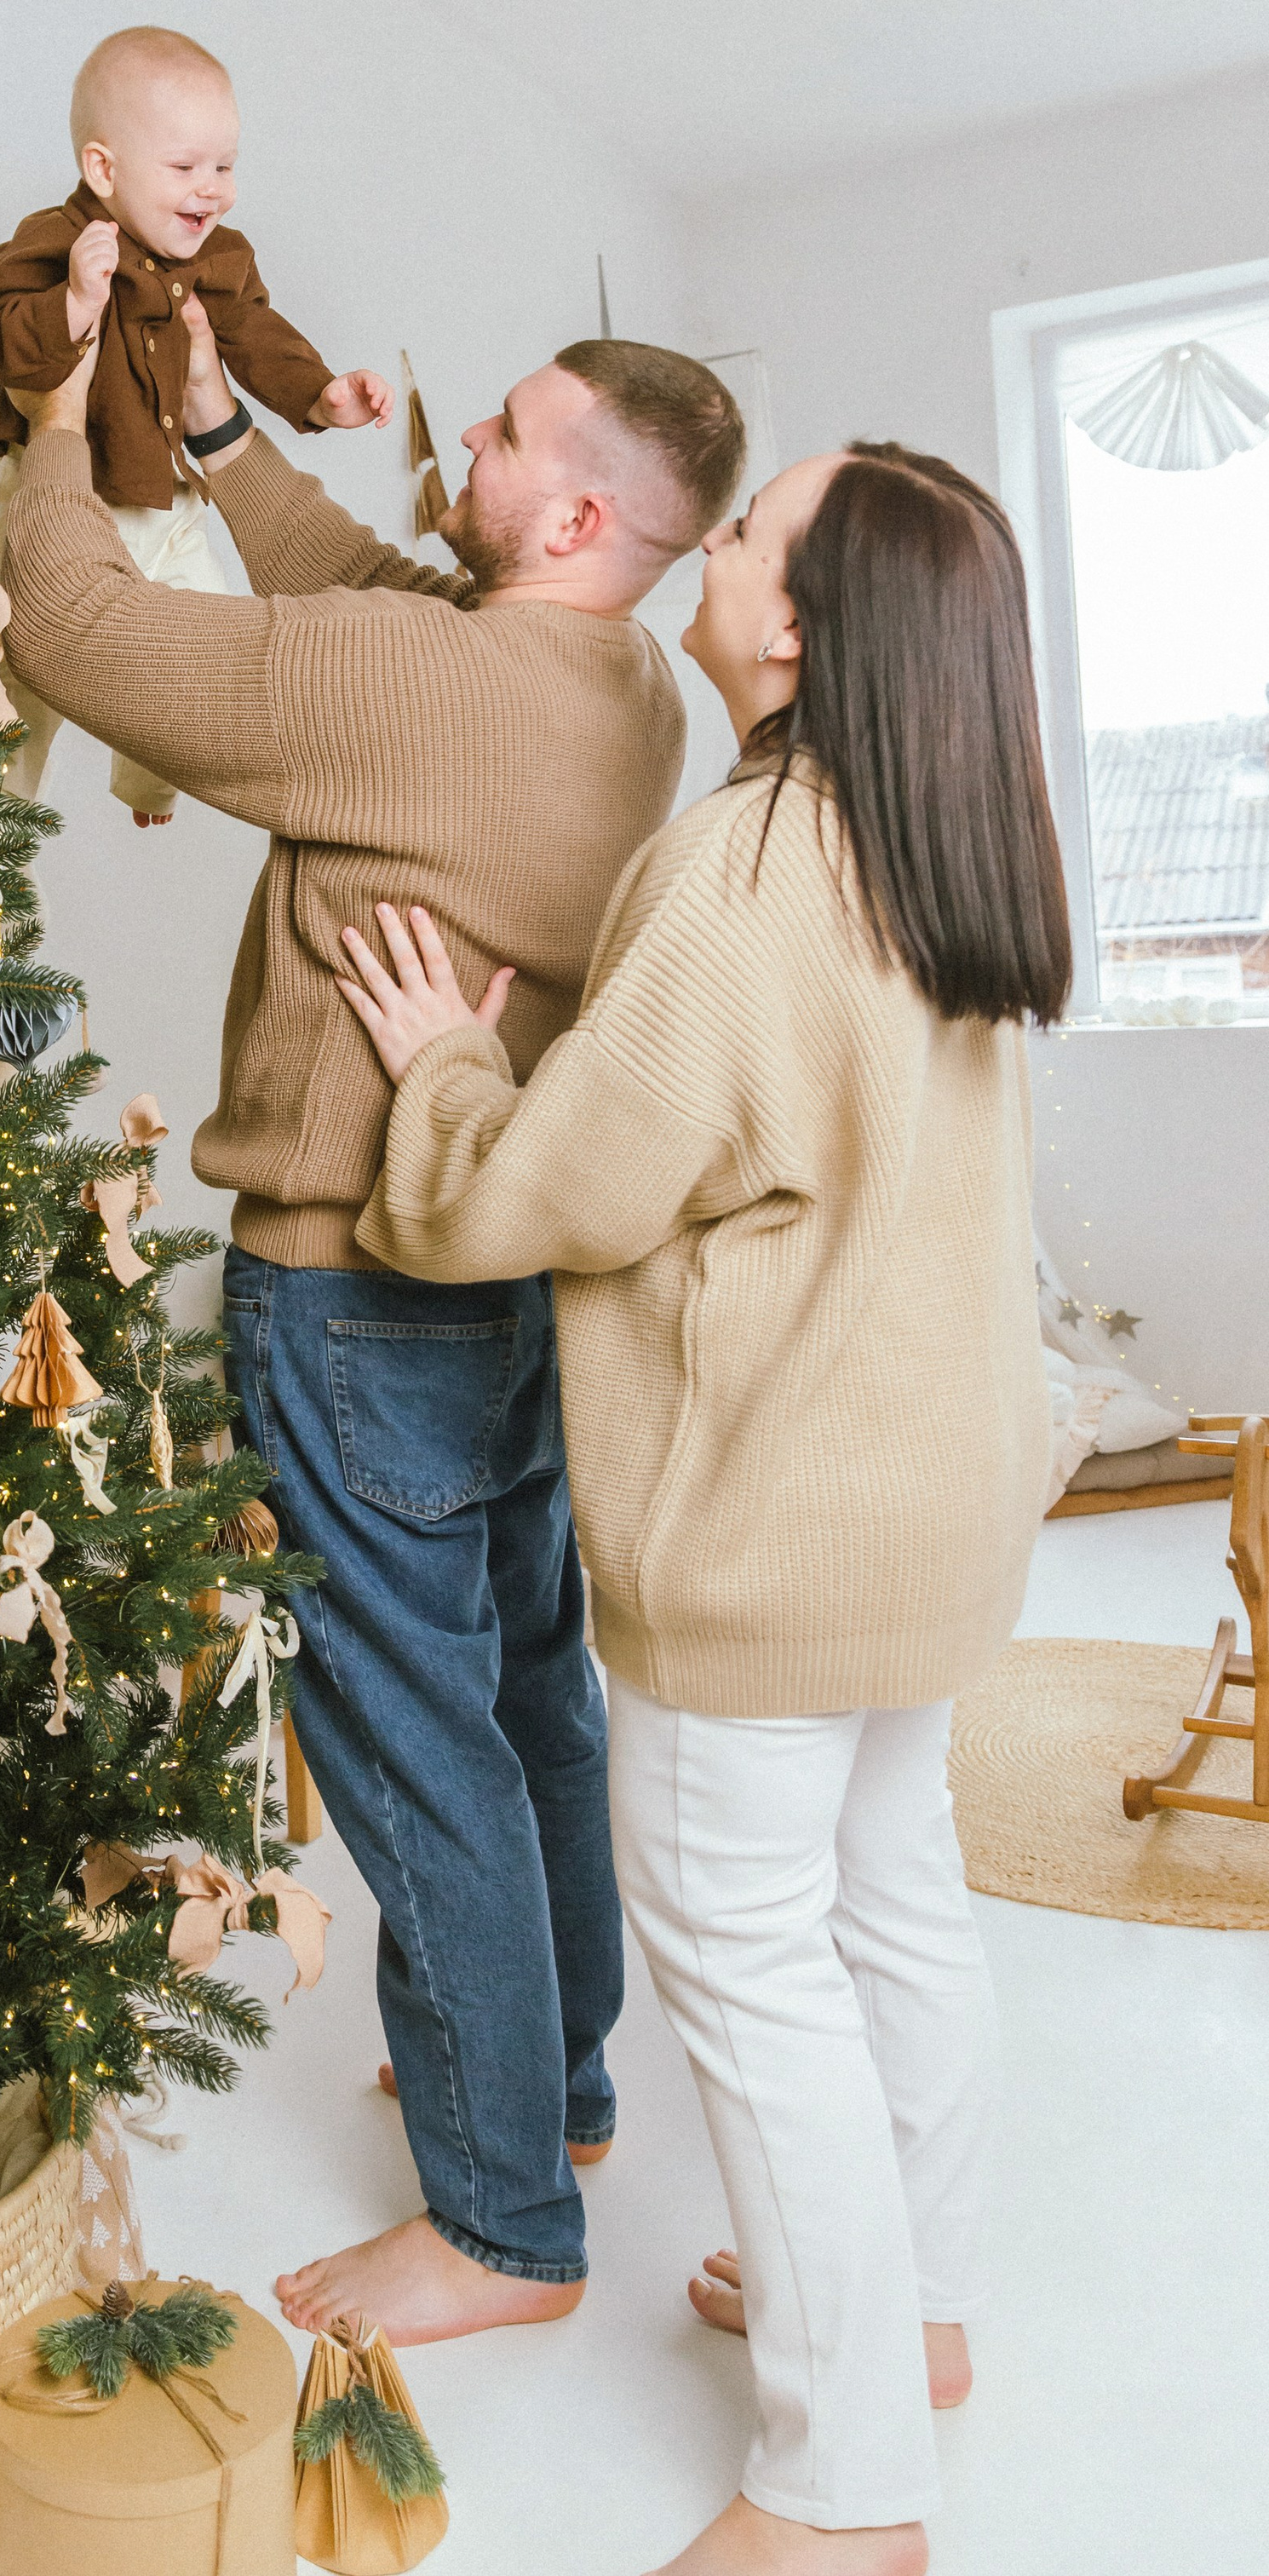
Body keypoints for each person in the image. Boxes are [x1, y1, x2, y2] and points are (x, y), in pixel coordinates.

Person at [340, 444, 1068, 2576]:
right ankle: (904, 2313)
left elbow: (528, 1192)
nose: (713, 539)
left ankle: (842, 2489)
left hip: (767, 1539)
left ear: (786, 631)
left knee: (753, 1970)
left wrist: (432, 1069)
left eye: (744, 531)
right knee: (890, 1899)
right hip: (928, 1520)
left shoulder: (743, 865)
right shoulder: (939, 856)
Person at [0, 297, 745, 2344]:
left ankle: (497, 2218)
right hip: (500, 1263)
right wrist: (226, 432)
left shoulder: (412, 681)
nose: (467, 442)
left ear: (575, 504)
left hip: (344, 1283)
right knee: (522, 1694)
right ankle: (556, 2088)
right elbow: (389, 598)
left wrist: (56, 398)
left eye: (505, 429)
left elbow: (73, 625)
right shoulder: (612, 692)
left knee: (415, 1749)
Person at [0, 25, 393, 825]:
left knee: (204, 650)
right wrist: (71, 306)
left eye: (226, 166)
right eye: (186, 167)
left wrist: (323, 394)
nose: (213, 189)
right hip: (49, 500)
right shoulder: (57, 241)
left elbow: (256, 334)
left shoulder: (220, 257)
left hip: (164, 501)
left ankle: (150, 787)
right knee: (17, 678)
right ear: (104, 167)